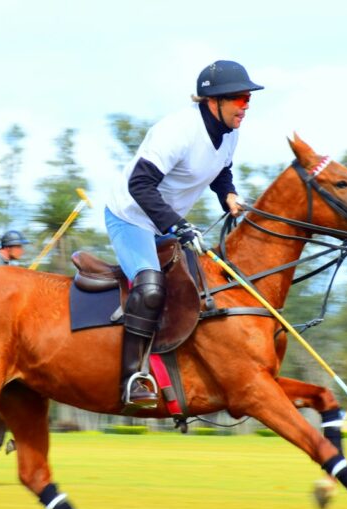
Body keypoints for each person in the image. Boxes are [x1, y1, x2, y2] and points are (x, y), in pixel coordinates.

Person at [103, 59, 262, 411]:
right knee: (149, 287)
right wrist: (177, 224)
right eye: (239, 98)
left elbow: (222, 170)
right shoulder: (177, 131)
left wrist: (229, 195)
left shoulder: (230, 132)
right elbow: (139, 185)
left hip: (164, 221)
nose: (245, 106)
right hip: (130, 216)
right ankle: (133, 377)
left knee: (201, 288)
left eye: (248, 98)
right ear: (212, 101)